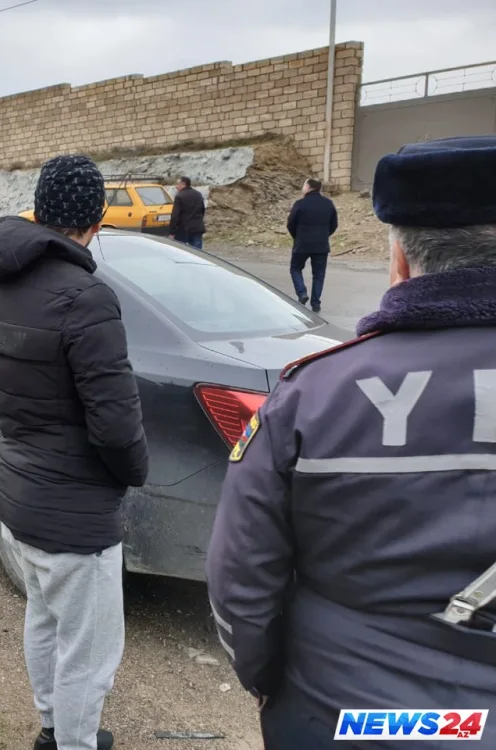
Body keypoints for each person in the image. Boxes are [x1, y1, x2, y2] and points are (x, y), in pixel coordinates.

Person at [205, 134, 496, 749]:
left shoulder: (315, 394)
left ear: (398, 259)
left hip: (349, 719)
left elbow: (241, 583)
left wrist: (274, 688)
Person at [0, 154, 149, 750]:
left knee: (45, 618)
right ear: (97, 220)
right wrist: (133, 474)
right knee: (91, 652)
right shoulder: (86, 297)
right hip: (76, 510)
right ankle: (74, 743)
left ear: (40, 210)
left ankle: (52, 727)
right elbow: (116, 423)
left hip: (19, 491)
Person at [286, 177, 338, 313]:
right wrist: (323, 235)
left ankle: (302, 293)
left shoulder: (300, 204)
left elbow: (290, 223)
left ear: (308, 187)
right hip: (321, 245)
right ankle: (316, 304)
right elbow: (334, 224)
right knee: (319, 275)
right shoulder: (328, 204)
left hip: (302, 244)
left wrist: (297, 237)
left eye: (304, 186)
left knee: (295, 268)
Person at [168, 176, 206, 249]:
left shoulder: (179, 196)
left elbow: (175, 216)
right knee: (197, 252)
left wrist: (172, 231)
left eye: (178, 184)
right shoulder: (198, 194)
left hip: (183, 229)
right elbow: (202, 210)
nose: (176, 186)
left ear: (183, 184)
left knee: (182, 251)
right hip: (197, 227)